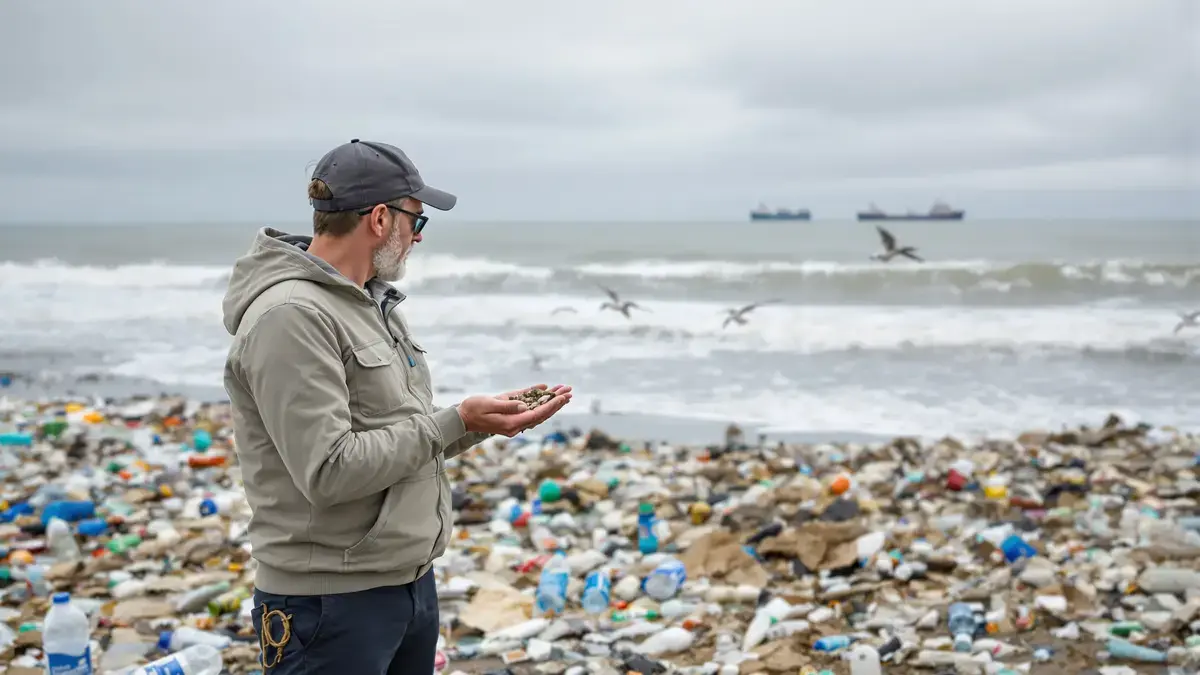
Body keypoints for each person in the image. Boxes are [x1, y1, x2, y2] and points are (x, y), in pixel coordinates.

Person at [221, 138, 572, 673]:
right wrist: (456, 420)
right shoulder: (290, 316)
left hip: (404, 584)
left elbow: (395, 436)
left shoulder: (371, 304)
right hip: (328, 604)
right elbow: (330, 471)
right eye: (418, 221)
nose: (418, 238)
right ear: (381, 219)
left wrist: (480, 423)